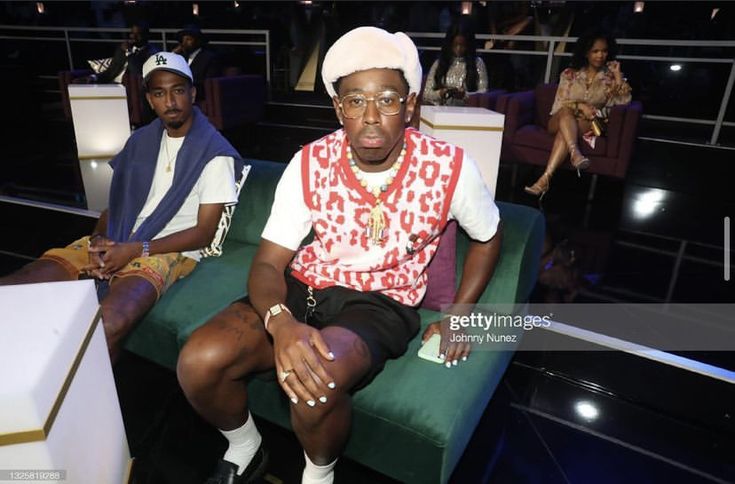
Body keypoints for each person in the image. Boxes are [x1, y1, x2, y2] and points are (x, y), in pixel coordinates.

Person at [176, 26, 503, 484]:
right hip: (303, 287)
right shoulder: (309, 163)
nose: (371, 116)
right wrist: (280, 321)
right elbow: (269, 263)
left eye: (387, 99)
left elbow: (488, 236)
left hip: (380, 301)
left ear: (409, 105)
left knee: (316, 383)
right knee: (199, 360)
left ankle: (318, 475)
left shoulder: (449, 167)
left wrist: (461, 311)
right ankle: (246, 447)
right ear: (338, 108)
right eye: (355, 101)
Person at [0, 52, 243, 361]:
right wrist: (101, 240)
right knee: (12, 290)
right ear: (149, 99)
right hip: (120, 236)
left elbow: (204, 233)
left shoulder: (214, 153)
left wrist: (135, 249)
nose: (170, 101)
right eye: (159, 93)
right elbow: (115, 208)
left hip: (166, 251)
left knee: (107, 324)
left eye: (178, 90)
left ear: (193, 93)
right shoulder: (140, 141)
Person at [524, 31, 632, 198]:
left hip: (589, 123)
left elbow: (622, 103)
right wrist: (580, 106)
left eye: (604, 51)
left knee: (564, 133)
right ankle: (575, 152)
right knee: (566, 113)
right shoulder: (569, 74)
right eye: (595, 51)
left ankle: (545, 178)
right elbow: (560, 104)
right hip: (559, 117)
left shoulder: (610, 78)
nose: (600, 55)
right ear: (586, 52)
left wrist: (618, 76)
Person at [422, 21, 489, 106]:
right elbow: (426, 94)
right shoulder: (439, 63)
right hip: (441, 111)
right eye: (455, 45)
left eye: (463, 45)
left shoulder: (477, 63)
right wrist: (440, 93)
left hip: (468, 113)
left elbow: (483, 92)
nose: (459, 49)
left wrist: (465, 95)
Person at [85, 21, 160, 84]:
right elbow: (111, 71)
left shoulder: (151, 53)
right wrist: (93, 77)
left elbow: (136, 73)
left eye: (138, 34)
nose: (133, 36)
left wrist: (129, 53)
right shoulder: (122, 49)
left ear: (146, 36)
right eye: (132, 33)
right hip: (112, 85)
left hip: (131, 88)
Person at [172, 24, 220, 100]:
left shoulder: (209, 58)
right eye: (183, 40)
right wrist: (172, 55)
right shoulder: (181, 57)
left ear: (198, 41)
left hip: (198, 95)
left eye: (188, 40)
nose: (184, 43)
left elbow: (207, 82)